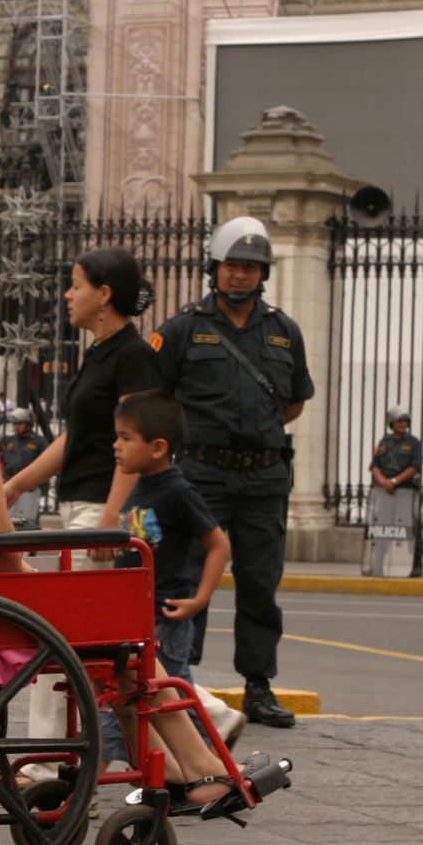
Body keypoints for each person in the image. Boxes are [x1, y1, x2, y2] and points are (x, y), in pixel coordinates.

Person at [0, 272, 236, 808]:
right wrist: (36, 579)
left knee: (103, 631)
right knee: (122, 634)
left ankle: (191, 765)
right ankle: (202, 767)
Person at [153, 216, 313, 729]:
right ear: (214, 269)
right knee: (189, 576)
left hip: (264, 479)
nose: (240, 276)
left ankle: (258, 687)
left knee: (260, 582)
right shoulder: (180, 330)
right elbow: (156, 401)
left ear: (262, 273)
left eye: (250, 267)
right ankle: (185, 680)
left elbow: (292, 404)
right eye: (232, 266)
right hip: (202, 475)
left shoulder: (284, 331)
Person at [100, 391, 230, 777]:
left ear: (158, 447)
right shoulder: (137, 487)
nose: (116, 446)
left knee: (138, 699)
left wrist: (200, 599)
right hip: (138, 615)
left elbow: (218, 543)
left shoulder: (177, 491)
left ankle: (88, 779)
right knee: (173, 701)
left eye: (125, 437)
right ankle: (206, 769)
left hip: (165, 617)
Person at [369, 407, 423, 578]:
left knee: (412, 528)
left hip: (406, 492)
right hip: (386, 492)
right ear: (392, 423)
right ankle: (378, 563)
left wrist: (394, 481)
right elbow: (374, 465)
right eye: (400, 421)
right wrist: (384, 482)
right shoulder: (383, 443)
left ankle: (416, 565)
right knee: (383, 527)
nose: (403, 424)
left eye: (405, 421)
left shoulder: (414, 443)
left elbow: (415, 467)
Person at [0, 407, 48, 526]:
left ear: (28, 425)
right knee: (7, 523)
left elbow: (43, 465)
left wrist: (35, 482)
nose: (16, 426)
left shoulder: (39, 442)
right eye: (14, 423)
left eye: (19, 423)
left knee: (27, 523)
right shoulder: (7, 440)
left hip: (28, 488)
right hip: (9, 486)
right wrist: (1, 477)